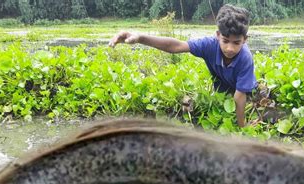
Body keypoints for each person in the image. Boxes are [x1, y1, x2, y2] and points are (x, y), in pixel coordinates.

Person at [109, 4, 257, 127]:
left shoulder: (245, 58)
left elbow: (239, 96)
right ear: (218, 35)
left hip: (242, 90)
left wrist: (242, 127)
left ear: (245, 39)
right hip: (221, 88)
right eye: (225, 41)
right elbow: (176, 46)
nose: (230, 48)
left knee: (247, 98)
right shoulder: (209, 45)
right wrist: (140, 38)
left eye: (236, 43)